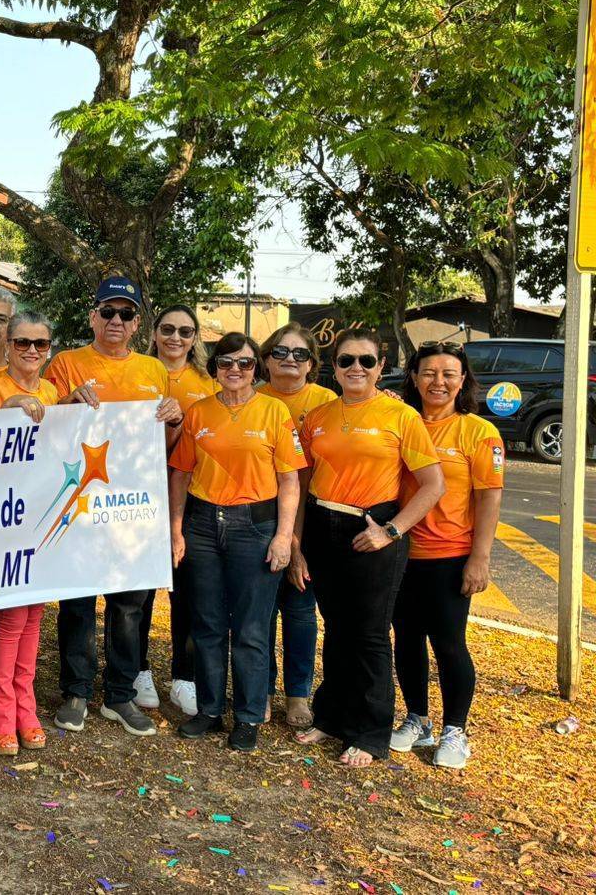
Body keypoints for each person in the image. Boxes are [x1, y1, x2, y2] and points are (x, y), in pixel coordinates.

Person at [291, 329, 443, 767]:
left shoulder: (401, 417)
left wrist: (390, 531)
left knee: (370, 634)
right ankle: (333, 717)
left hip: (372, 527)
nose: (356, 368)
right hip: (323, 524)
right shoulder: (318, 415)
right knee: (336, 628)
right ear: (333, 367)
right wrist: (298, 543)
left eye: (366, 361)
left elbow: (433, 485)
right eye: (345, 361)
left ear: (380, 367)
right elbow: (301, 483)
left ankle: (372, 732)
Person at [44, 276, 183, 738]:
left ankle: (120, 695)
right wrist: (66, 403)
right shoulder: (65, 363)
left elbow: (167, 443)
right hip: (80, 502)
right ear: (93, 316)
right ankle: (77, 691)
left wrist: (174, 419)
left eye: (126, 314)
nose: (116, 321)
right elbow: (46, 430)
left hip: (134, 508)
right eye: (108, 312)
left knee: (129, 604)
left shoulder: (154, 370)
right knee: (78, 600)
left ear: (137, 322)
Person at [168, 333, 304, 752]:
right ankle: (209, 710)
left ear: (255, 369)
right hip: (203, 525)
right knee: (206, 624)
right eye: (226, 363)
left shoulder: (273, 411)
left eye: (244, 364)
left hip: (255, 525)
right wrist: (176, 528)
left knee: (250, 628)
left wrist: (284, 537)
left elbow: (289, 480)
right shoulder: (198, 412)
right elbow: (181, 474)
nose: (235, 371)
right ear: (215, 369)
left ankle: (247, 716)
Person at [390, 343, 503, 769]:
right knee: (406, 639)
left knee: (450, 644)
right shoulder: (401, 421)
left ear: (463, 380)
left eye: (449, 374)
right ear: (414, 377)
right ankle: (418, 719)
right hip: (401, 552)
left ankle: (456, 729)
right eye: (429, 373)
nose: (439, 382)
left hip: (450, 553)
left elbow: (490, 498)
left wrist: (481, 558)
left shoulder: (477, 432)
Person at [0, 311, 56, 755]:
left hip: (43, 514)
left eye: (40, 344)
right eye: (22, 343)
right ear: (7, 345)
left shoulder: (53, 391)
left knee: (34, 615)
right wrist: (5, 412)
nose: (31, 352)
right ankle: (1, 714)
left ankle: (27, 706)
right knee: (9, 620)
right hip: (2, 515)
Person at [256, 323, 337, 728]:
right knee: (261, 612)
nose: (290, 359)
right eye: (281, 352)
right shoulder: (249, 398)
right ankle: (263, 690)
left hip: (311, 515)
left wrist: (296, 542)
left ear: (312, 364)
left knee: (301, 609)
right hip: (257, 514)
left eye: (300, 354)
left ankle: (298, 695)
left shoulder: (328, 403)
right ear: (266, 359)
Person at [141, 304, 217, 716]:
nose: (175, 338)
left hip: (191, 495)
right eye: (167, 329)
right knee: (138, 591)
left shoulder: (208, 382)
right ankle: (138, 671)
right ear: (154, 333)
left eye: (185, 331)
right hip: (137, 494)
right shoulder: (139, 371)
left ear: (195, 338)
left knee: (188, 591)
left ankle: (183, 677)